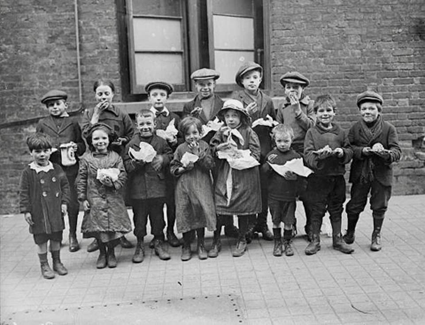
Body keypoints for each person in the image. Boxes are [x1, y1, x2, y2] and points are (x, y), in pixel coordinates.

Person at [182, 68, 238, 239]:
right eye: (201, 85)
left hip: (219, 151)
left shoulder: (223, 104)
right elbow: (185, 128)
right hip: (199, 153)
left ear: (214, 85)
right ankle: (198, 226)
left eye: (209, 84)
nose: (205, 88)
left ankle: (227, 224)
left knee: (222, 188)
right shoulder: (190, 106)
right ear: (196, 86)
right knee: (200, 189)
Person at [344, 91, 401, 251]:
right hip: (361, 173)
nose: (367, 112)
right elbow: (349, 148)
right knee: (355, 204)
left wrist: (386, 154)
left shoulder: (388, 129)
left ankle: (376, 235)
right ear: (360, 111)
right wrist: (363, 151)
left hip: (381, 173)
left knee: (379, 205)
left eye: (371, 109)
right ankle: (350, 232)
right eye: (364, 109)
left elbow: (397, 151)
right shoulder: (355, 128)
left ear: (379, 111)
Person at [81, 80, 134, 251]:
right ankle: (99, 237)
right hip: (95, 160)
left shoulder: (121, 113)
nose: (103, 97)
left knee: (116, 200)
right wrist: (95, 115)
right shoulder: (89, 113)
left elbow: (131, 133)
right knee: (97, 201)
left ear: (113, 94)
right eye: (100, 93)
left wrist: (122, 140)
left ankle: (120, 235)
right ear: (95, 95)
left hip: (115, 158)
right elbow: (85, 135)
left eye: (106, 93)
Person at [303, 94, 354, 255]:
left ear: (334, 112)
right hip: (318, 178)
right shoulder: (311, 132)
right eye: (321, 111)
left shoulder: (341, 132)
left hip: (336, 177)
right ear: (316, 113)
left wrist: (341, 152)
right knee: (317, 209)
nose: (325, 114)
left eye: (329, 110)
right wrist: (319, 157)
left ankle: (338, 239)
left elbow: (349, 150)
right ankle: (315, 240)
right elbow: (308, 154)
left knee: (337, 208)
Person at [210, 99, 262, 257]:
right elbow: (213, 147)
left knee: (243, 206)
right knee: (221, 203)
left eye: (234, 116)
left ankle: (242, 238)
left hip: (244, 173)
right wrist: (219, 148)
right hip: (226, 172)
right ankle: (216, 239)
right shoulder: (221, 131)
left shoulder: (249, 132)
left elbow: (256, 152)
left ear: (241, 117)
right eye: (227, 116)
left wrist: (242, 155)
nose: (231, 119)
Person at [232, 61, 276, 242]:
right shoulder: (236, 99)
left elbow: (272, 121)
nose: (252, 81)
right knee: (248, 189)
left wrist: (271, 125)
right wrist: (246, 116)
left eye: (255, 78)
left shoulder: (267, 100)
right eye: (248, 78)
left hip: (264, 148)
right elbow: (232, 123)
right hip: (246, 149)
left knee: (264, 188)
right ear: (242, 81)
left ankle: (262, 223)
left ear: (260, 79)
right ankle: (248, 225)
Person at [77, 123, 132, 268]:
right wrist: (82, 198)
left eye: (103, 138)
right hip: (94, 199)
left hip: (112, 197)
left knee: (112, 228)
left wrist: (114, 183)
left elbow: (123, 175)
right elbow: (81, 179)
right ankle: (102, 253)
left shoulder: (115, 157)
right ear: (91, 141)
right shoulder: (86, 159)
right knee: (98, 229)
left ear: (109, 140)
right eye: (96, 139)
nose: (100, 142)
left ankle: (112, 252)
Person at [37, 89, 86, 252]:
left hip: (69, 168)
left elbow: (82, 144)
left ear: (65, 105)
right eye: (51, 105)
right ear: (47, 108)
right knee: (53, 203)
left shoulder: (72, 123)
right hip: (51, 168)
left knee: (71, 201)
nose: (55, 107)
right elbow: (37, 144)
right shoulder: (42, 123)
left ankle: (72, 235)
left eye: (58, 104)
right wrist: (46, 150)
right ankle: (57, 235)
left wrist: (75, 147)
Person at [123, 109, 173, 262]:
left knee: (158, 216)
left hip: (157, 186)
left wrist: (163, 159)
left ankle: (158, 241)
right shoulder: (132, 144)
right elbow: (126, 164)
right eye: (142, 124)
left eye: (148, 123)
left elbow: (171, 154)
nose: (145, 127)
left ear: (154, 124)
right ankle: (140, 244)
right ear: (137, 126)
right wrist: (135, 163)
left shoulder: (161, 141)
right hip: (139, 189)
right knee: (140, 218)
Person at [19, 133, 70, 279]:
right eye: (37, 151)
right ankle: (44, 265)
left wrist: (64, 202)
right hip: (38, 212)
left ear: (50, 151)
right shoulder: (28, 172)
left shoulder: (57, 169)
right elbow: (23, 192)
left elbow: (65, 186)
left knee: (56, 237)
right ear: (31, 153)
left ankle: (57, 261)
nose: (42, 155)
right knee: (41, 239)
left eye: (45, 151)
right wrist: (26, 211)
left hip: (55, 211)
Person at [170, 117, 216, 261]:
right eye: (188, 134)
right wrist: (183, 169)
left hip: (201, 184)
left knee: (200, 211)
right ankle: (187, 244)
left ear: (201, 132)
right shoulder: (180, 148)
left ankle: (201, 243)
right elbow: (173, 167)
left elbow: (210, 164)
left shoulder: (204, 146)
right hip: (184, 185)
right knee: (185, 212)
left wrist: (199, 154)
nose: (192, 137)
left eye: (195, 132)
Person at [276, 71, 315, 240]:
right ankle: (290, 225)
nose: (292, 91)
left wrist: (298, 111)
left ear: (303, 89)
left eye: (296, 88)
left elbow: (312, 126)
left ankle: (311, 226)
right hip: (288, 151)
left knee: (307, 191)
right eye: (288, 87)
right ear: (284, 90)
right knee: (289, 190)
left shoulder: (310, 105)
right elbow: (279, 128)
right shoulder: (282, 107)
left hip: (305, 150)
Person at [145, 81, 182, 247]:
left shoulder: (174, 118)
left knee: (172, 201)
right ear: (149, 98)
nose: (158, 98)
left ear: (167, 98)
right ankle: (158, 233)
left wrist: (174, 140)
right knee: (155, 202)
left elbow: (182, 140)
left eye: (162, 95)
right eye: (154, 95)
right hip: (153, 168)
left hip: (170, 166)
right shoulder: (146, 117)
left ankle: (171, 231)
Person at [261, 125, 302, 257]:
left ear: (292, 140)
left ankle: (287, 242)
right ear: (274, 140)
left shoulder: (296, 156)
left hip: (289, 196)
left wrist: (296, 177)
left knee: (289, 221)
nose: (283, 144)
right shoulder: (272, 155)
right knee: (276, 220)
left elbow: (301, 176)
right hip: (274, 196)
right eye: (279, 141)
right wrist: (268, 164)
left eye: (286, 141)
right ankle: (277, 242)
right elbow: (264, 173)